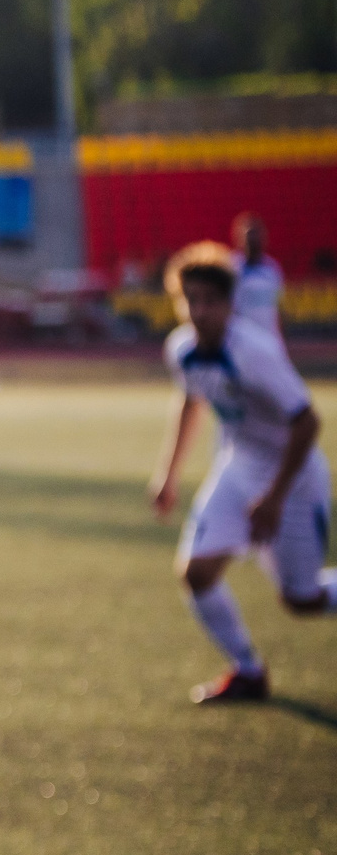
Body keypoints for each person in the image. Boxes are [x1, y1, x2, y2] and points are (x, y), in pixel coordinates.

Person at [149, 242, 331, 705]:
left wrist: (274, 497)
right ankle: (248, 672)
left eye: (211, 301)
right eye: (191, 300)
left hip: (293, 478)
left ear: (231, 303)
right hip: (239, 466)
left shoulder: (254, 351)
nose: (200, 311)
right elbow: (190, 401)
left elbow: (308, 422)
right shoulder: (181, 348)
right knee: (197, 573)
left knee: (302, 601)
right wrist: (168, 475)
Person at [232, 212, 283, 333]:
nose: (252, 239)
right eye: (249, 235)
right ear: (239, 237)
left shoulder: (272, 269)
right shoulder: (232, 268)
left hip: (268, 334)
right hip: (242, 336)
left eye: (255, 234)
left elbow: (278, 308)